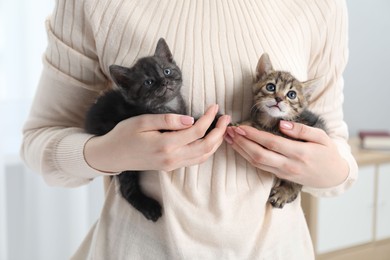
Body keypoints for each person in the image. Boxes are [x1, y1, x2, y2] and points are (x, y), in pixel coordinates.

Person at [21, 0, 358, 259]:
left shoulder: (320, 6)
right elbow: (39, 141)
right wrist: (110, 152)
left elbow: (337, 150)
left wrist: (329, 169)